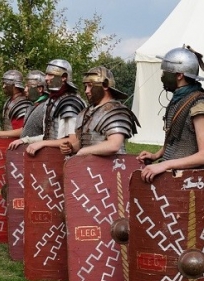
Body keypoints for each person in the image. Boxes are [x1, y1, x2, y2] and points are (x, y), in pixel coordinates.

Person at [137, 46, 204, 183]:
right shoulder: (178, 100)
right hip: (174, 177)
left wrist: (165, 164)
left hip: (190, 182)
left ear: (179, 75)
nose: (163, 76)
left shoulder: (198, 104)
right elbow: (177, 140)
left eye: (166, 71)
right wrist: (156, 155)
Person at [60, 66, 139, 156]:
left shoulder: (116, 111)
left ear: (105, 85)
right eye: (85, 86)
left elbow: (114, 145)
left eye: (90, 86)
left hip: (111, 167)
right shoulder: (86, 112)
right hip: (89, 166)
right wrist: (72, 148)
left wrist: (83, 151)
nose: (86, 91)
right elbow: (87, 142)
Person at [17, 59, 86, 155]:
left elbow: (72, 141)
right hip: (52, 158)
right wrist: (26, 140)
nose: (46, 78)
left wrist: (42, 143)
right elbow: (49, 137)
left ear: (64, 77)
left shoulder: (70, 103)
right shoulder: (53, 101)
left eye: (50, 74)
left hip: (66, 160)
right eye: (46, 74)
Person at [7, 70, 49, 150]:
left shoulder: (47, 107)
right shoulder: (32, 107)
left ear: (40, 89)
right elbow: (25, 131)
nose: (25, 90)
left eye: (28, 87)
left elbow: (50, 136)